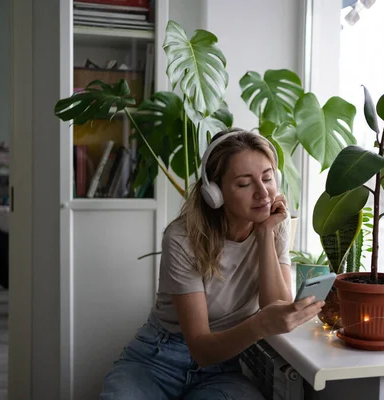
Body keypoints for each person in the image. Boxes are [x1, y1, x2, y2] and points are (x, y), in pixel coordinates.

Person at [100, 128, 324, 399]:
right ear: (214, 193)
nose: (263, 193)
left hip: (223, 367)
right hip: (157, 360)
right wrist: (260, 325)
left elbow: (274, 305)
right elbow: (201, 349)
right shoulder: (183, 238)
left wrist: (265, 235)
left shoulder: (275, 223)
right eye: (244, 184)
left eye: (267, 178)